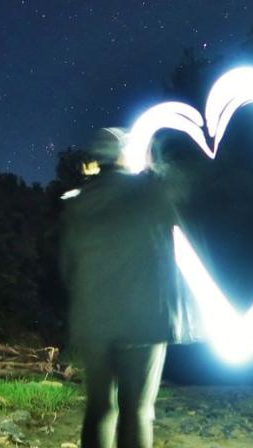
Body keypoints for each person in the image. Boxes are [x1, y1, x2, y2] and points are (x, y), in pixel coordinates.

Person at [60, 128, 194, 448]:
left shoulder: (78, 203)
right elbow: (187, 200)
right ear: (124, 155)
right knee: (138, 411)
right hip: (143, 321)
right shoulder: (150, 191)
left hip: (94, 323)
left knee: (99, 409)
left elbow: (67, 267)